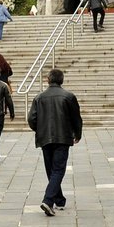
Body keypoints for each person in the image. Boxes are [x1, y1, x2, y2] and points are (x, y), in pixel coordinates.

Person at [28, 68, 83, 216]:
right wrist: (77, 133)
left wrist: (40, 129)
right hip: (62, 137)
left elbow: (31, 119)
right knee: (58, 170)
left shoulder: (39, 97)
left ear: (48, 80)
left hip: (45, 138)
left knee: (51, 170)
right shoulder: (68, 97)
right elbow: (76, 118)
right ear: (62, 80)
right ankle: (48, 200)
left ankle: (59, 200)